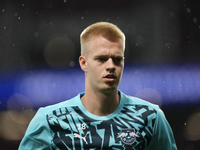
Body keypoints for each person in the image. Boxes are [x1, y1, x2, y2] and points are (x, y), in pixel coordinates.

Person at [18, 22, 177, 150]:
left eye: (117, 59)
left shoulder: (151, 117)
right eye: (101, 59)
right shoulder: (49, 120)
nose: (111, 66)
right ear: (83, 63)